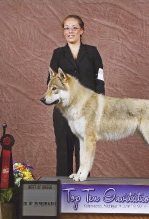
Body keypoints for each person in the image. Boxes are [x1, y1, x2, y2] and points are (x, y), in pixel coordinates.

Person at [47, 15, 105, 176]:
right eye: (66, 28)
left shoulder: (92, 52)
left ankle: (82, 186)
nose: (70, 31)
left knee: (85, 146)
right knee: (63, 147)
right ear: (63, 31)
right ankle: (63, 187)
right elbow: (51, 81)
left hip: (87, 109)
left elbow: (99, 78)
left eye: (74, 27)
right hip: (63, 110)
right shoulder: (57, 53)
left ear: (82, 30)